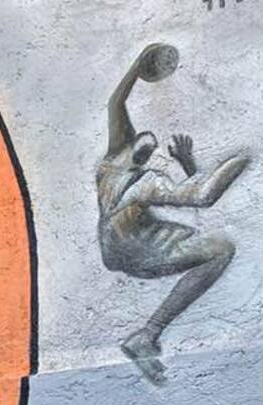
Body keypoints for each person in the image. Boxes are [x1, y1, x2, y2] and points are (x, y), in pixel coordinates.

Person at [97, 44, 250, 382]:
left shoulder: (136, 176)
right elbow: (116, 103)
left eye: (152, 147)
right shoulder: (120, 167)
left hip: (124, 247)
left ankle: (147, 336)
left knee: (215, 249)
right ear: (129, 143)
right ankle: (149, 333)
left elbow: (197, 196)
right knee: (221, 250)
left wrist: (189, 164)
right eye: (144, 140)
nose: (150, 144)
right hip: (131, 246)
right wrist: (241, 160)